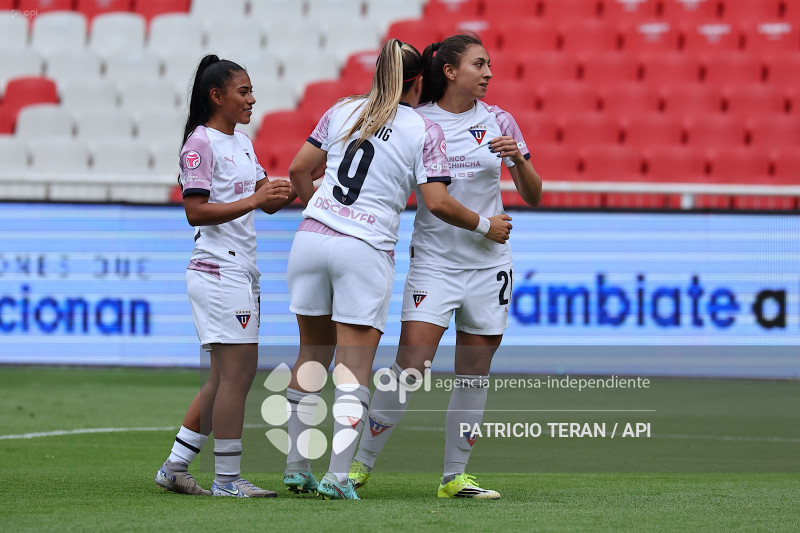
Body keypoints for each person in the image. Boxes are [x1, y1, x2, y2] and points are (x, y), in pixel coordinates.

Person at [281, 38, 512, 501]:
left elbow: (299, 169)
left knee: (312, 355)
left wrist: (320, 210)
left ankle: (295, 466)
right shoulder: (421, 126)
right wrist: (488, 224)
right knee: (355, 368)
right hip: (364, 247)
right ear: (421, 80)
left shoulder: (342, 109)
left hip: (309, 238)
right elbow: (436, 201)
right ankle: (340, 474)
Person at [350, 34, 542, 499]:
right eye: (480, 64)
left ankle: (454, 476)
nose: (489, 73)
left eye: (490, 64)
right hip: (436, 263)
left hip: (489, 266)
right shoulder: (415, 122)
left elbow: (534, 195)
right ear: (451, 71)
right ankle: (358, 467)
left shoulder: (500, 121)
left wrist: (517, 159)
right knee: (410, 366)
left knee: (474, 371)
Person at [155, 54, 296, 498]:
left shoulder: (241, 142)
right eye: (244, 91)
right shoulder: (200, 143)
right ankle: (228, 480)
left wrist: (278, 193)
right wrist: (256, 202)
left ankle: (175, 466)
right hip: (218, 269)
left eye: (252, 91)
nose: (252, 99)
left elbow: (259, 198)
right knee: (237, 376)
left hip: (240, 269)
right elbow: (195, 211)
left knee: (225, 378)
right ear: (216, 96)